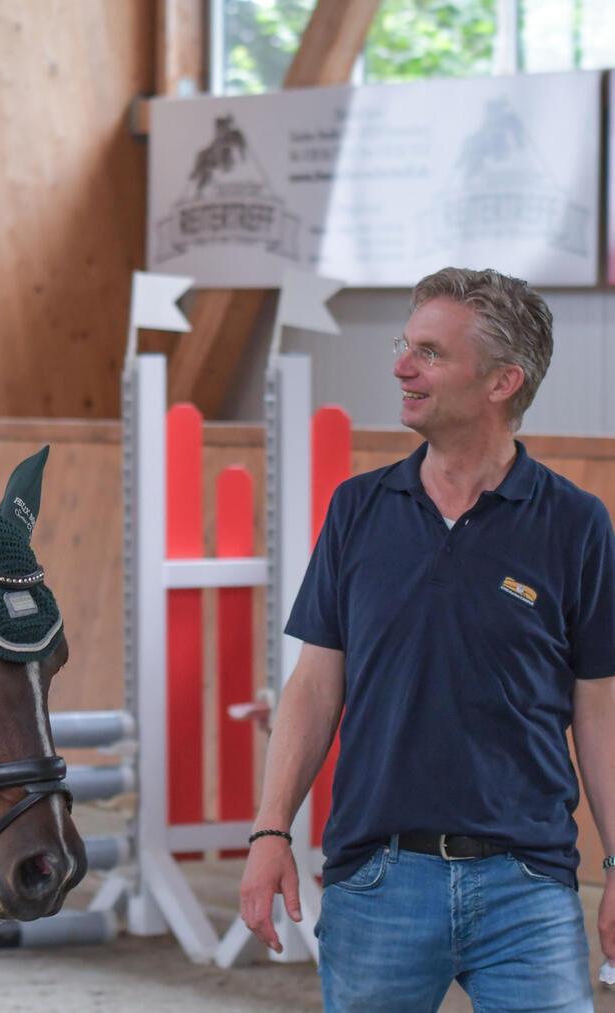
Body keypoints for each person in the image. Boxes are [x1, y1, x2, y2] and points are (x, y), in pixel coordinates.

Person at [239, 267, 615, 1011]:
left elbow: (600, 712)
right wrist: (268, 830)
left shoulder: (576, 525)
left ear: (503, 380)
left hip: (528, 886)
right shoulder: (358, 510)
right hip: (378, 879)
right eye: (404, 345)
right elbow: (315, 686)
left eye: (430, 353)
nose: (401, 366)